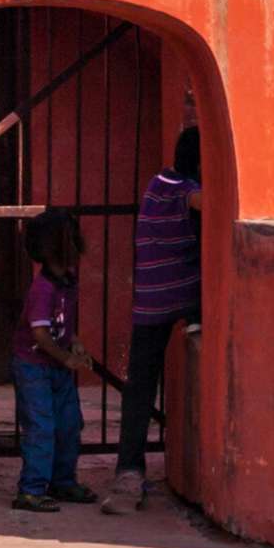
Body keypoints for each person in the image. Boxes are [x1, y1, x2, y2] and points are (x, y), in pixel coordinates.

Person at [119, 121, 203, 505]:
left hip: (147, 299)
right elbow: (206, 204)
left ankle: (128, 469)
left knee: (139, 387)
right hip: (182, 294)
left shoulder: (157, 184)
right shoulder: (188, 193)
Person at [11, 213, 92, 510]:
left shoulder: (67, 281)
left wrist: (76, 343)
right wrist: (66, 358)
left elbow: (63, 324)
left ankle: (63, 483)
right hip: (34, 367)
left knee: (69, 424)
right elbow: (41, 336)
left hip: (55, 367)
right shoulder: (42, 288)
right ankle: (31, 490)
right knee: (41, 426)